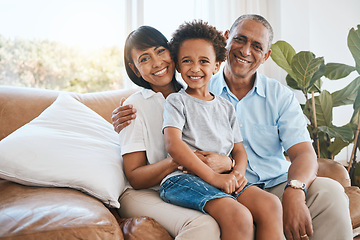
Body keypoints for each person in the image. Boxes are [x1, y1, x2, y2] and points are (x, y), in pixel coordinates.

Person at [113, 14, 353, 240]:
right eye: (240, 39)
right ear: (227, 40)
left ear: (266, 55)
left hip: (268, 182)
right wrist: (121, 111)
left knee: (330, 191)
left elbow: (301, 153)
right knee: (237, 214)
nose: (246, 51)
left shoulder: (276, 96)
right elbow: (162, 105)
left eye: (257, 46)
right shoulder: (192, 89)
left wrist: (295, 190)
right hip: (216, 183)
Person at [160, 20, 283, 240]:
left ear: (217, 65)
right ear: (178, 66)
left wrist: (237, 175)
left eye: (204, 61)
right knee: (239, 216)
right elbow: (173, 145)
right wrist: (214, 178)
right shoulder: (176, 101)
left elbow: (239, 151)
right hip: (182, 179)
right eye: (187, 61)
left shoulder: (226, 106)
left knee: (271, 204)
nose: (195, 68)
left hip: (223, 176)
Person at [117, 25, 232, 240]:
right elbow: (135, 177)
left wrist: (228, 163)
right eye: (144, 59)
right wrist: (179, 160)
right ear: (135, 69)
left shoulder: (195, 94)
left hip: (191, 185)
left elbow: (224, 146)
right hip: (145, 192)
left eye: (160, 51)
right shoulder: (134, 107)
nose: (157, 62)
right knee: (203, 225)